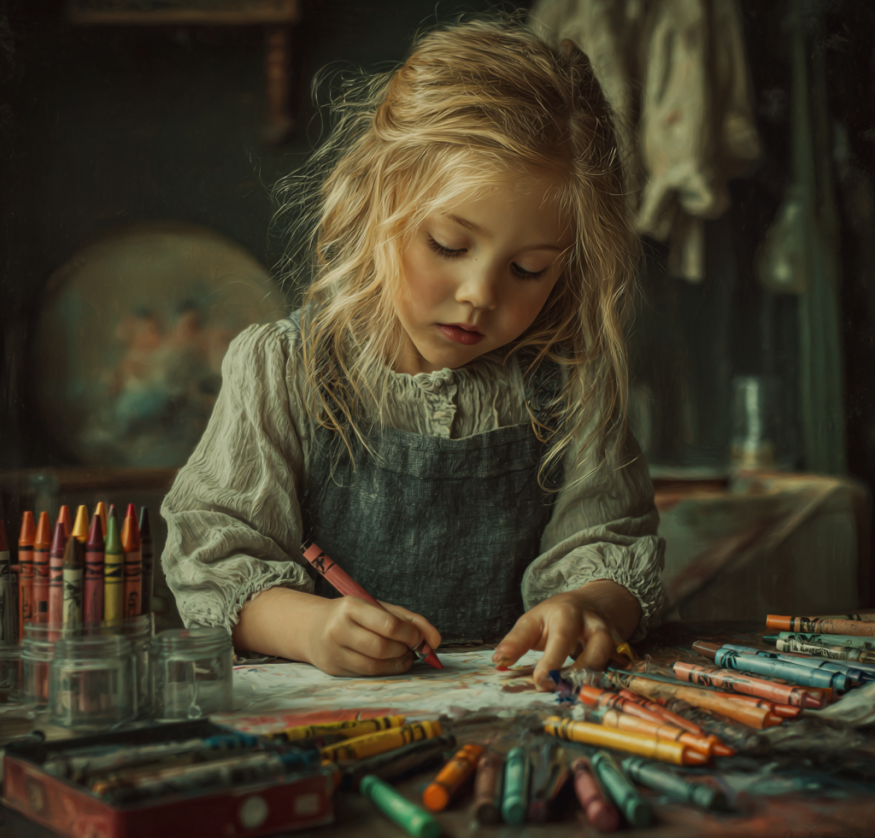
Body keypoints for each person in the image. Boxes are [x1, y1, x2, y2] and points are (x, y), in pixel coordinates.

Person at [161, 18, 666, 690]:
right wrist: (309, 628)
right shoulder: (281, 369)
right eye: (449, 246)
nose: (479, 293)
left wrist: (589, 606)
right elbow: (214, 562)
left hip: (513, 716)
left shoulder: (572, 384)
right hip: (331, 721)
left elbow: (611, 549)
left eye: (528, 269)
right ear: (380, 200)